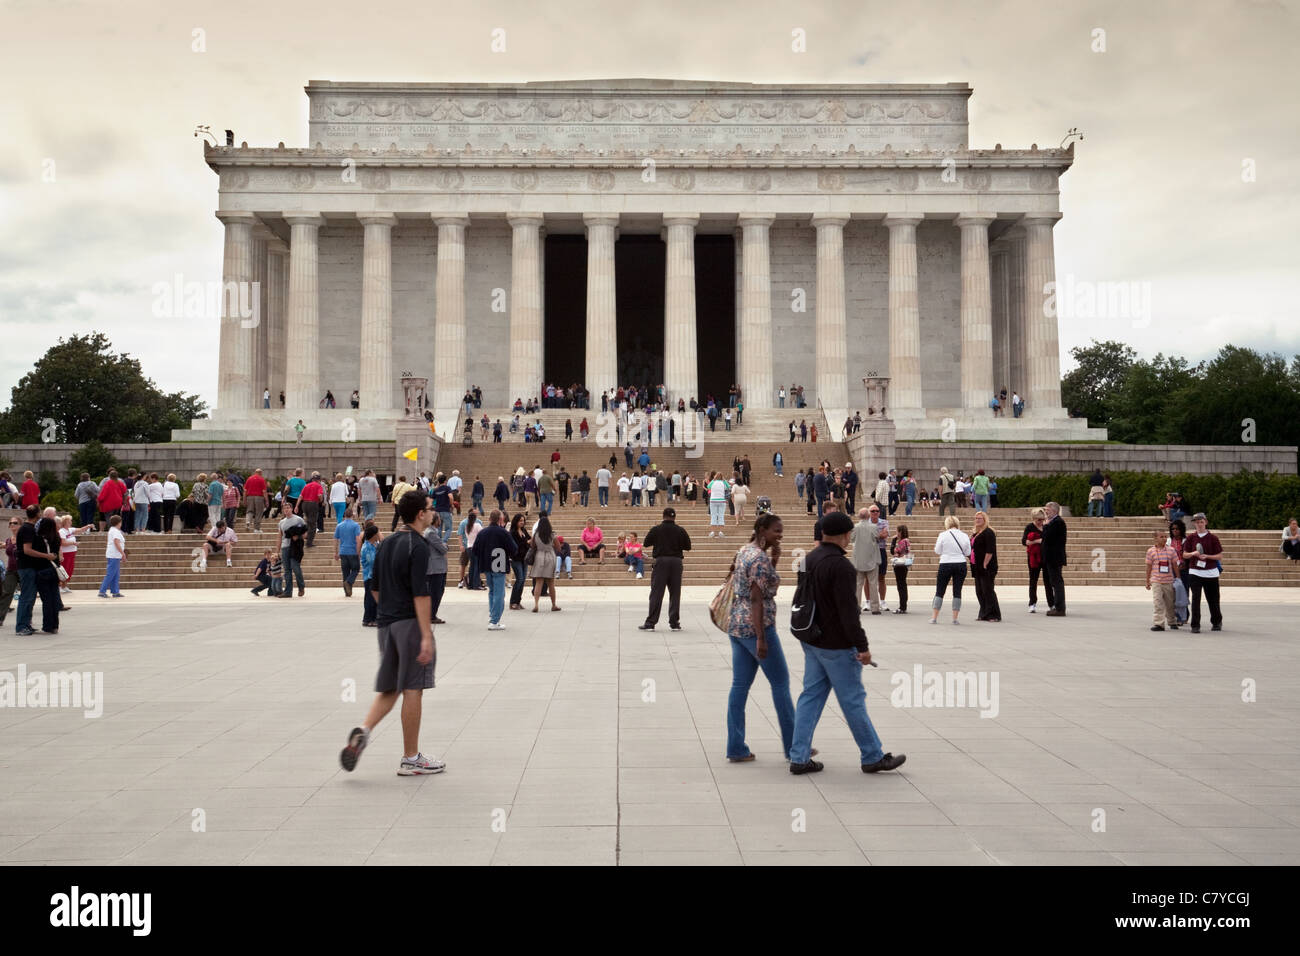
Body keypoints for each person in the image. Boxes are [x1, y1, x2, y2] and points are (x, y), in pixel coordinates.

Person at [787, 510, 906, 776]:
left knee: (810, 697)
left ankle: (798, 757)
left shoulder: (807, 559)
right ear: (844, 535)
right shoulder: (840, 565)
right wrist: (862, 647)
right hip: (837, 646)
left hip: (812, 639)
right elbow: (848, 613)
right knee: (852, 700)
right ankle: (872, 755)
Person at [338, 490, 444, 776]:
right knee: (413, 687)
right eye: (430, 508)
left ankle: (364, 730)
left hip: (386, 624)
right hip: (409, 624)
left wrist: (387, 612)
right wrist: (425, 635)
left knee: (391, 687)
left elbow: (373, 585)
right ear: (420, 514)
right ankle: (411, 757)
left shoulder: (386, 543)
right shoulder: (418, 546)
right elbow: (422, 595)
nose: (434, 512)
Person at [725, 514, 798, 763]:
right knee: (780, 683)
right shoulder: (758, 558)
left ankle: (736, 747)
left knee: (739, 686)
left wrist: (774, 559)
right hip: (758, 627)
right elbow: (757, 598)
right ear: (763, 530)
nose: (780, 535)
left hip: (736, 624)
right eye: (776, 531)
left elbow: (757, 585)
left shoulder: (746, 550)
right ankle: (794, 747)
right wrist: (761, 639)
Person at [638, 507, 692, 631]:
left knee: (656, 593)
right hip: (676, 562)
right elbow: (688, 546)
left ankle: (651, 623)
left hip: (661, 562)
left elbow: (646, 543)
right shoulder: (680, 530)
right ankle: (674, 623)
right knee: (675, 593)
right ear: (674, 517)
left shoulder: (656, 529)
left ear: (663, 516)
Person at [15, 506, 61, 635]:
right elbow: (27, 550)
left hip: (31, 567)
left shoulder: (29, 529)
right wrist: (47, 556)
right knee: (27, 597)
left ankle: (26, 624)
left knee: (30, 597)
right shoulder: (28, 529)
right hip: (27, 567)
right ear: (38, 514)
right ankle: (22, 626)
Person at [474, 509, 518, 630]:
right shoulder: (503, 532)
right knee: (499, 592)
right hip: (499, 564)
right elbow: (514, 548)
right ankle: (494, 620)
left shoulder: (482, 533)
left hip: (487, 564)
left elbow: (475, 550)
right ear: (501, 519)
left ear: (489, 519)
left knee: (492, 591)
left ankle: (492, 616)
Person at [1182, 512, 1224, 633]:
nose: (1199, 524)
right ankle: (1195, 625)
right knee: (1196, 598)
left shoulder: (1213, 538)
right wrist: (1193, 554)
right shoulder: (1190, 538)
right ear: (1194, 524)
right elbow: (1184, 554)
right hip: (1195, 571)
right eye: (1197, 522)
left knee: (1213, 598)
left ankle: (1216, 622)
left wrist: (1208, 557)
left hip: (1211, 572)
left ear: (1205, 522)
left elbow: (1219, 556)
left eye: (1201, 522)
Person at [930, 515, 970, 625]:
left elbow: (938, 550)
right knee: (957, 591)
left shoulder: (942, 535)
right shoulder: (964, 535)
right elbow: (968, 553)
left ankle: (934, 617)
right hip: (960, 563)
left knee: (940, 590)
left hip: (945, 563)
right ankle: (955, 618)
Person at [1144, 529, 1181, 631]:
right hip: (1156, 580)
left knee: (1170, 603)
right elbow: (1148, 567)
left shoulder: (1171, 550)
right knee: (1158, 602)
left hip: (1169, 580)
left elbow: (1175, 565)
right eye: (1162, 537)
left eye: (1165, 537)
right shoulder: (1150, 551)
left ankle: (1172, 621)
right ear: (1155, 538)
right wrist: (1147, 581)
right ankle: (1159, 623)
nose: (1164, 538)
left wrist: (1178, 578)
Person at [971, 511, 1001, 622]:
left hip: (987, 566)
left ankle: (994, 614)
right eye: (976, 518)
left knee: (988, 590)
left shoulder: (989, 532)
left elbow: (990, 550)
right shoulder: (976, 533)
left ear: (985, 520)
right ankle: (984, 613)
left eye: (980, 518)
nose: (977, 520)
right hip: (976, 566)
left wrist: (985, 563)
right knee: (979, 591)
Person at [851, 507, 882, 614]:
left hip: (858, 559)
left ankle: (856, 607)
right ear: (868, 516)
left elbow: (852, 539)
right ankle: (875, 608)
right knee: (873, 584)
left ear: (859, 516)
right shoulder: (874, 527)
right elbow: (877, 538)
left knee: (858, 585)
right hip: (872, 558)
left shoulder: (855, 527)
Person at [1041, 501, 1068, 616]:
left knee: (1057, 583)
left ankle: (1059, 608)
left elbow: (1047, 537)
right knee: (1054, 582)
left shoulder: (1057, 522)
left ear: (1055, 511)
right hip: (1050, 557)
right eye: (1046, 510)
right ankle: (1056, 606)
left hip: (1054, 558)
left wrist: (1046, 525)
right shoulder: (1054, 522)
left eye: (1048, 510)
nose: (1046, 512)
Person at [1021, 508, 1049, 613]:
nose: (1040, 522)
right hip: (1033, 557)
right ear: (1033, 518)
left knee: (1048, 581)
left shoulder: (1046, 526)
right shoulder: (1029, 527)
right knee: (1033, 580)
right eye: (1038, 520)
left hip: (1045, 556)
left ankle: (1051, 603)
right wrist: (1038, 541)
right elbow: (1025, 541)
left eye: (1042, 519)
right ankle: (1032, 603)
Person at [277, 505, 308, 598]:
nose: (286, 509)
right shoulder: (281, 522)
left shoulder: (298, 519)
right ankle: (288, 592)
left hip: (295, 547)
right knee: (287, 570)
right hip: (285, 547)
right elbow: (279, 537)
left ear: (291, 509)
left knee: (295, 567)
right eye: (284, 508)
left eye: (288, 508)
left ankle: (301, 586)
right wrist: (277, 551)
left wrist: (298, 537)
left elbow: (306, 533)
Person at [423, 513, 449, 625]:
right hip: (435, 568)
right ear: (435, 520)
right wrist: (445, 545)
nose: (441, 521)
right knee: (435, 592)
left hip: (438, 567)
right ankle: (431, 615)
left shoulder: (432, 532)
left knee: (438, 591)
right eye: (439, 519)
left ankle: (432, 614)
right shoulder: (431, 533)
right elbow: (443, 549)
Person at [57, 515, 93, 593]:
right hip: (65, 553)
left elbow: (80, 530)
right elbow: (62, 542)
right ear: (65, 522)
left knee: (70, 569)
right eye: (69, 520)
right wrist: (73, 543)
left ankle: (64, 586)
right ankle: (60, 586)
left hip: (72, 553)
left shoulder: (70, 529)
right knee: (64, 569)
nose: (71, 522)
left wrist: (88, 526)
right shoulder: (61, 531)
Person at [333, 507, 361, 596]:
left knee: (345, 572)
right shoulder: (356, 525)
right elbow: (358, 539)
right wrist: (358, 551)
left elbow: (335, 539)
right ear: (352, 515)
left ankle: (347, 592)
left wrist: (336, 552)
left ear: (344, 515)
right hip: (352, 551)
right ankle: (349, 582)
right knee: (356, 569)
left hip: (343, 551)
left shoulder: (339, 525)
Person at [506, 512, 531, 612]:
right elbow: (515, 545)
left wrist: (529, 541)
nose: (522, 522)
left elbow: (529, 539)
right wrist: (526, 542)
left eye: (523, 521)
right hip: (516, 559)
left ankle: (518, 601)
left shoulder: (524, 530)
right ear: (516, 521)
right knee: (519, 579)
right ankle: (513, 602)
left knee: (523, 580)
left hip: (524, 559)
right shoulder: (512, 532)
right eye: (520, 521)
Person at [97, 514, 126, 599]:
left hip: (114, 555)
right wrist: (122, 553)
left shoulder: (113, 530)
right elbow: (116, 542)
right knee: (110, 574)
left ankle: (115, 591)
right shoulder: (115, 531)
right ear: (119, 523)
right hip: (114, 555)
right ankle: (102, 591)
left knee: (115, 574)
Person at [0, 517, 21, 625]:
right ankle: (0, 618)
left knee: (27, 595)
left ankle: (25, 619)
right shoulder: (9, 540)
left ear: (20, 525)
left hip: (23, 570)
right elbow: (8, 547)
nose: (12, 525)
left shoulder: (24, 538)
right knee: (6, 593)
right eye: (10, 523)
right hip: (11, 570)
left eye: (15, 523)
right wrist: (4, 546)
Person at [359, 525, 381, 626]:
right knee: (370, 598)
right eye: (377, 532)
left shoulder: (376, 544)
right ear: (373, 535)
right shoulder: (366, 547)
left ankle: (374, 617)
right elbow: (372, 561)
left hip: (376, 576)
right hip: (370, 575)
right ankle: (368, 619)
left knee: (374, 598)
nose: (379, 534)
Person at [890, 524, 911, 614]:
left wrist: (893, 541)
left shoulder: (902, 542)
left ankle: (902, 607)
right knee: (903, 585)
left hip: (900, 565)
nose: (896, 533)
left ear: (900, 532)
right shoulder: (907, 541)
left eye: (897, 531)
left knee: (901, 586)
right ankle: (903, 606)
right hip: (904, 565)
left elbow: (894, 552)